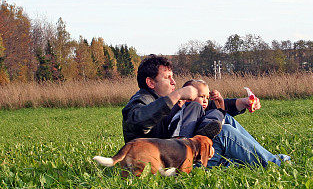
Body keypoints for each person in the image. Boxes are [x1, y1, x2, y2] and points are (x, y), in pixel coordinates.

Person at [122, 55, 290, 167]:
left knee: (226, 120)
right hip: (172, 163)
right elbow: (138, 120)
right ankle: (275, 164)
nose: (174, 82)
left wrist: (241, 103)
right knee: (224, 132)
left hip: (181, 153)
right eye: (167, 78)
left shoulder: (164, 99)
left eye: (173, 77)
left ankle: (267, 157)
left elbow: (207, 107)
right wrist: (178, 94)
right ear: (150, 83)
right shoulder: (140, 101)